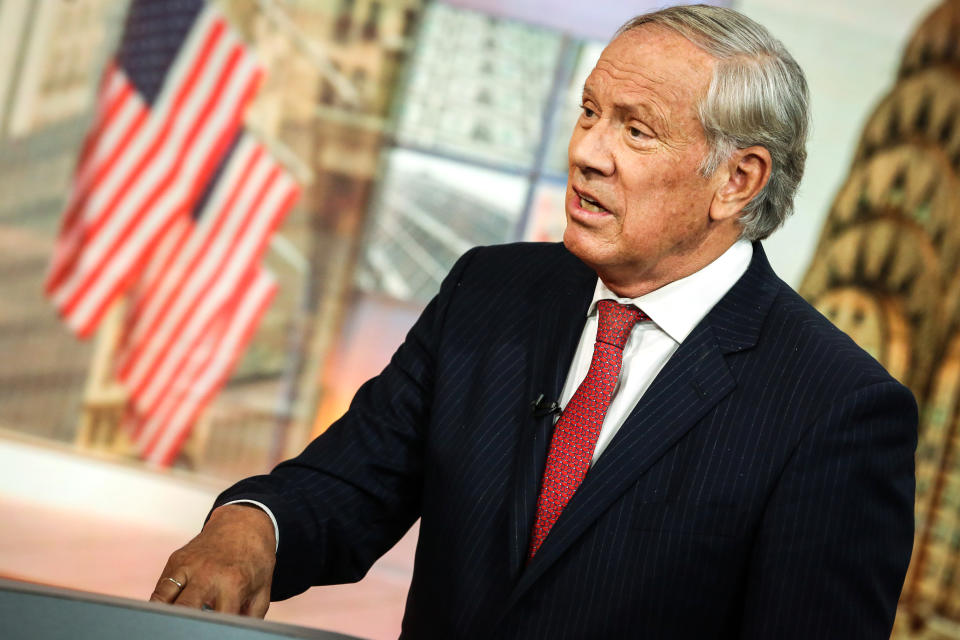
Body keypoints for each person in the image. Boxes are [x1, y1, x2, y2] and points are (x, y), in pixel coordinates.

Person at [150, 5, 917, 638]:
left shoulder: (837, 408)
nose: (587, 151)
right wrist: (252, 525)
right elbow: (353, 480)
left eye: (635, 130)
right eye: (589, 112)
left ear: (737, 180)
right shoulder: (491, 289)